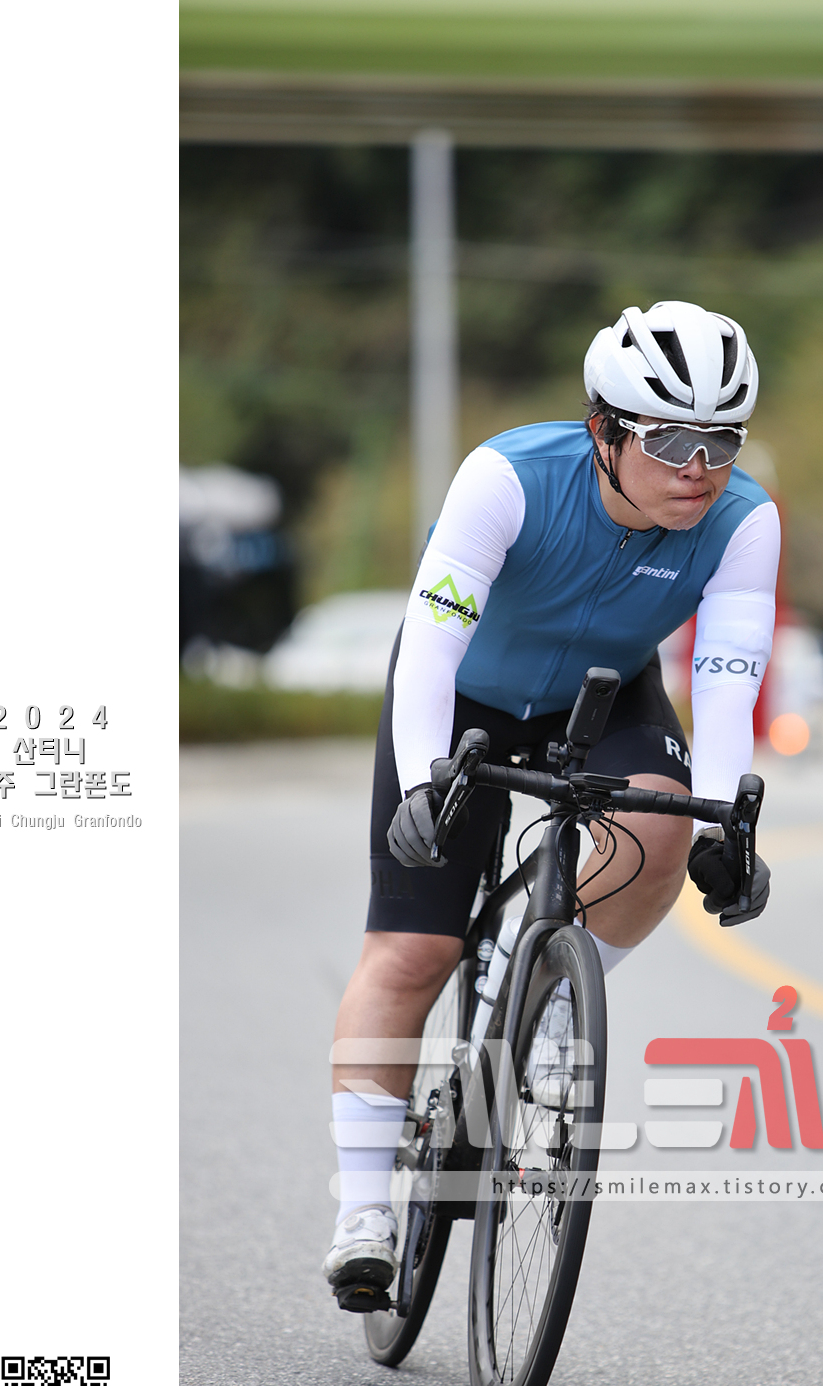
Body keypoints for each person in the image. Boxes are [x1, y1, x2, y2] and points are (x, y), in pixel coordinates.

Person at [323, 301, 780, 1302]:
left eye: (721, 442)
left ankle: (539, 996)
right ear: (604, 431)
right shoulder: (507, 477)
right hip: (463, 697)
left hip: (603, 697)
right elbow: (431, 642)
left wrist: (728, 822)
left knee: (663, 823)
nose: (699, 468)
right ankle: (363, 1210)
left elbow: (727, 681)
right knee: (412, 950)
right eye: (670, 440)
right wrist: (423, 779)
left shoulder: (745, 521)